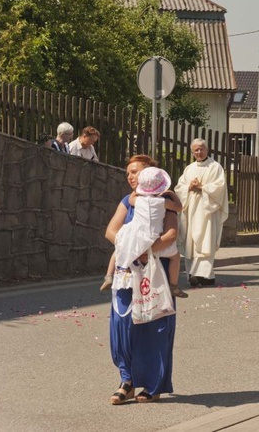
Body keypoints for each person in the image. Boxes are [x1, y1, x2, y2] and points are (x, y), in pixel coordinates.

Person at [104, 155, 178, 405]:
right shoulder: (128, 201)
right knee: (123, 327)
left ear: (151, 174)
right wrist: (129, 246)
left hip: (155, 267)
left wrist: (147, 250)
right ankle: (127, 381)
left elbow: (171, 234)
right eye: (128, 173)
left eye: (136, 171)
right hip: (127, 269)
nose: (131, 176)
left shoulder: (165, 200)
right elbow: (110, 231)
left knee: (153, 326)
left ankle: (153, 384)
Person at [100, 167, 187, 298]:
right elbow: (180, 207)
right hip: (155, 241)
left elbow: (131, 199)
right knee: (175, 257)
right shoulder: (163, 202)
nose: (129, 176)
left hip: (136, 237)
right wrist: (172, 194)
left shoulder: (137, 200)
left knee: (119, 248)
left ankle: (109, 275)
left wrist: (137, 191)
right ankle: (174, 285)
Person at [175, 138, 229, 286]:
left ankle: (203, 275)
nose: (199, 152)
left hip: (207, 211)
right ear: (192, 152)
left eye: (201, 149)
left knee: (206, 241)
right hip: (191, 210)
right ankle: (195, 274)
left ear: (207, 149)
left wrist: (202, 187)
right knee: (190, 242)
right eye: (196, 150)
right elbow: (179, 187)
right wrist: (189, 187)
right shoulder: (189, 169)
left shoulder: (215, 167)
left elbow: (219, 188)